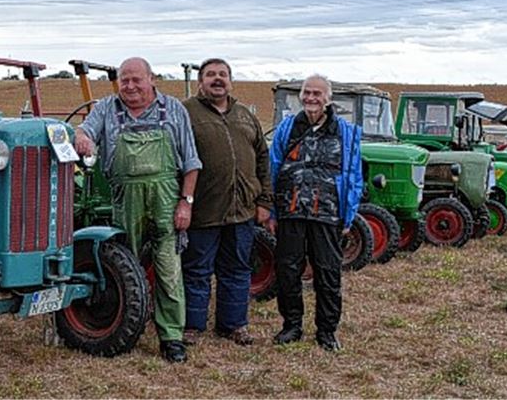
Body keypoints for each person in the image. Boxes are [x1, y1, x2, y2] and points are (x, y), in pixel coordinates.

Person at [73, 57, 202, 363]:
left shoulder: (173, 109)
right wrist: (82, 137)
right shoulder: (106, 108)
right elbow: (86, 130)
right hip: (123, 200)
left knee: (169, 270)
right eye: (124, 80)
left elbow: (192, 162)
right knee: (124, 268)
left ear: (151, 79)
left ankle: (171, 337)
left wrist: (186, 202)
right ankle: (124, 328)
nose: (129, 86)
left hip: (166, 199)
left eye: (136, 80)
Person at [180, 58, 272, 347]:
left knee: (237, 269)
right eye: (210, 75)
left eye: (222, 74)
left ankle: (233, 325)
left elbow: (262, 158)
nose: (217, 79)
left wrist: (264, 201)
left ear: (230, 81)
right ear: (200, 82)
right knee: (196, 270)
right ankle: (192, 326)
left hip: (242, 210)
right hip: (203, 210)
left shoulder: (245, 115)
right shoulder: (186, 113)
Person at [269, 74, 362, 352]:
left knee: (328, 273)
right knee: (287, 271)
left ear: (328, 99)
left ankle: (327, 331)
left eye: (317, 94)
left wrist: (349, 215)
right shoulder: (287, 128)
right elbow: (273, 167)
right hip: (291, 211)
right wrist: (273, 211)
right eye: (307, 93)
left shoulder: (345, 132)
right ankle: (291, 326)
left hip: (328, 214)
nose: (311, 98)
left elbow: (355, 175)